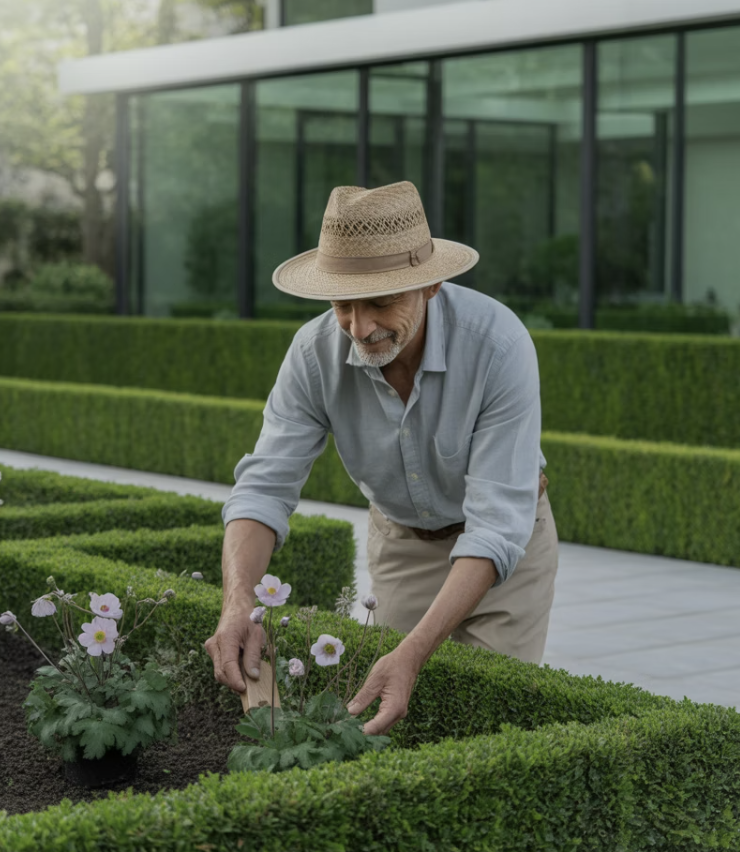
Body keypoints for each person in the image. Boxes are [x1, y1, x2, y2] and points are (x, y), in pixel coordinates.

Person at [205, 181, 559, 736]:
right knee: (394, 725)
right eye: (343, 303)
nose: (359, 327)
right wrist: (237, 604)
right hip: (400, 544)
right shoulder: (312, 354)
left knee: (486, 726)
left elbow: (495, 528)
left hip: (505, 557)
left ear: (432, 283)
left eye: (379, 302)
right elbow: (263, 490)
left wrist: (414, 652)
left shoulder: (499, 346)